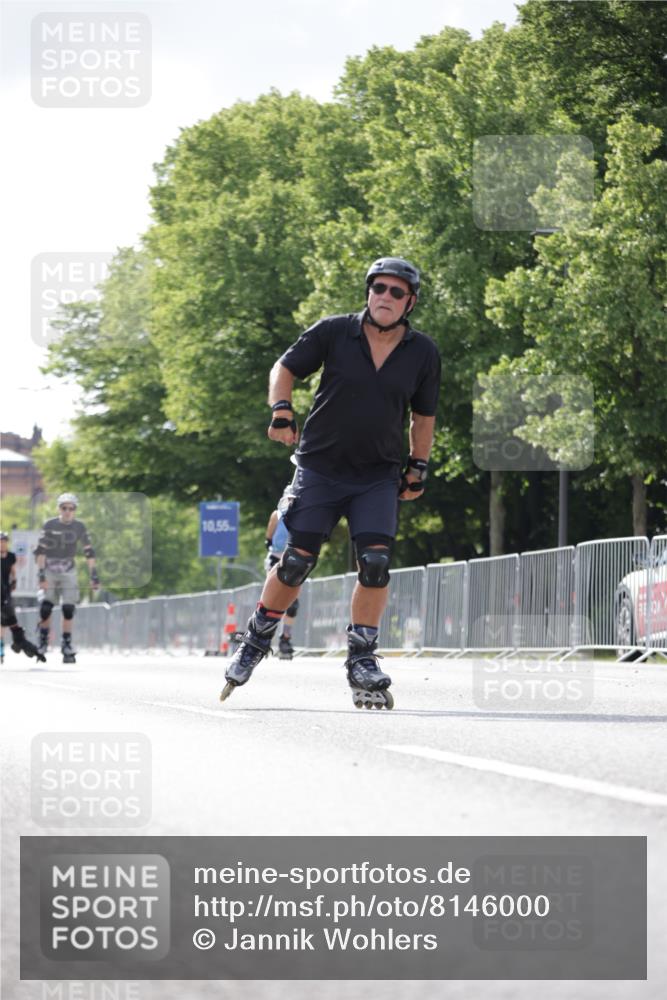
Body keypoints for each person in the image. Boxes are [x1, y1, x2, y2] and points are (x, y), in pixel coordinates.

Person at [221, 256, 441, 709]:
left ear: (410, 302)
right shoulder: (334, 331)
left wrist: (418, 465)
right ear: (368, 292)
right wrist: (281, 409)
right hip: (320, 467)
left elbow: (424, 416)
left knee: (376, 561)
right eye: (378, 288)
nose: (384, 297)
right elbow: (284, 368)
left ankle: (362, 657)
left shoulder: (423, 352)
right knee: (297, 560)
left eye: (396, 292)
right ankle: (257, 638)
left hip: (378, 474)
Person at [34, 493, 100, 662]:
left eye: (71, 508)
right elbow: (40, 551)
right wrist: (41, 574)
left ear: (75, 510)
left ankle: (66, 644)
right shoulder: (50, 524)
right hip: (49, 568)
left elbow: (88, 551)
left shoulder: (79, 526)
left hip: (68, 569)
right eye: (64, 508)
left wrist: (94, 575)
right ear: (59, 509)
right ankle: (43, 642)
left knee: (68, 609)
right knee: (46, 608)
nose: (68, 511)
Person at [264, 486, 300, 659]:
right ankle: (263, 636)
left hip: (295, 560)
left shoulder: (305, 515)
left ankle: (285, 638)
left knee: (292, 604)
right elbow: (268, 539)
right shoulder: (277, 514)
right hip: (276, 559)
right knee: (274, 599)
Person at [1, 531, 46, 663]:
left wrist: (14, 581)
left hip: (5, 592)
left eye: (4, 541)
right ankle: (17, 641)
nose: (2, 543)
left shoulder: (10, 556)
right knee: (8, 620)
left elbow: (13, 571)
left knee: (6, 620)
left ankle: (15, 642)